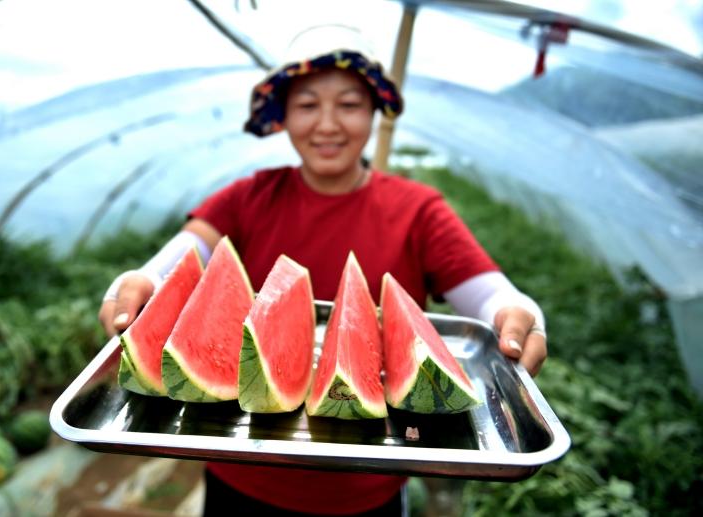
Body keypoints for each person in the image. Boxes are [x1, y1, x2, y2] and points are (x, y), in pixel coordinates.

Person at [99, 25, 547, 517]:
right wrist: (137, 282)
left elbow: (492, 298)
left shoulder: (418, 209)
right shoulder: (248, 196)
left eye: (350, 105)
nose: (328, 124)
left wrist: (521, 315)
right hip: (241, 473)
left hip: (367, 488)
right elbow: (182, 256)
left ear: (375, 113)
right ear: (284, 116)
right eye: (308, 105)